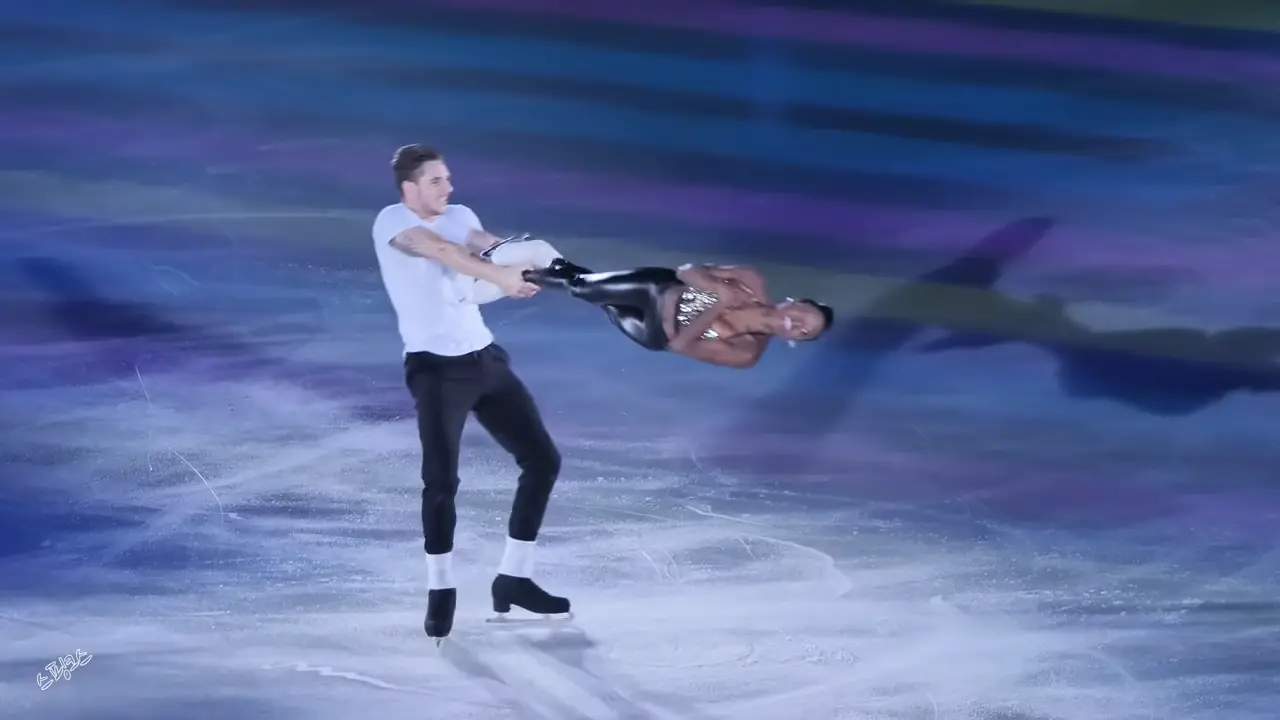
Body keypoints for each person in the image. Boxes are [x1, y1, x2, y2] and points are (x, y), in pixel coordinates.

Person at [370, 144, 571, 645]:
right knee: (441, 481)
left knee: (543, 460)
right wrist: (500, 276)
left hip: (485, 361)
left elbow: (486, 245)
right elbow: (442, 251)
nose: (449, 188)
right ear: (409, 188)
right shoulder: (392, 222)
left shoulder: (458, 214)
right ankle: (441, 588)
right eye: (437, 181)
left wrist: (529, 268)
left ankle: (514, 578)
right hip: (436, 372)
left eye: (449, 179)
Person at [524, 257, 834, 368]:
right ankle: (513, 273)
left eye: (804, 333)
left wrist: (717, 303)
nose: (798, 325)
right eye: (805, 317)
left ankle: (557, 268)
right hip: (657, 289)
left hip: (651, 331)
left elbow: (680, 345)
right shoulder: (751, 281)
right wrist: (717, 286)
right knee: (582, 288)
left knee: (602, 300)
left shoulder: (746, 353)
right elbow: (687, 271)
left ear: (792, 340)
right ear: (795, 301)